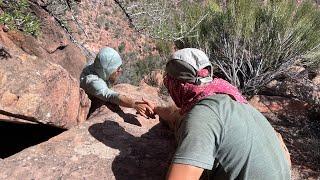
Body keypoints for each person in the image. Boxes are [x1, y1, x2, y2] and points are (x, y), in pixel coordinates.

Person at [142, 48, 291, 180]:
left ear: (177, 85)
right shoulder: (230, 100)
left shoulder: (202, 116)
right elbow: (178, 115)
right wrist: (156, 109)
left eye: (168, 82)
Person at [80, 47, 153, 118]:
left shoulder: (99, 67)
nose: (120, 70)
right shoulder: (93, 82)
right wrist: (134, 104)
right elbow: (110, 95)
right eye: (117, 69)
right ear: (108, 70)